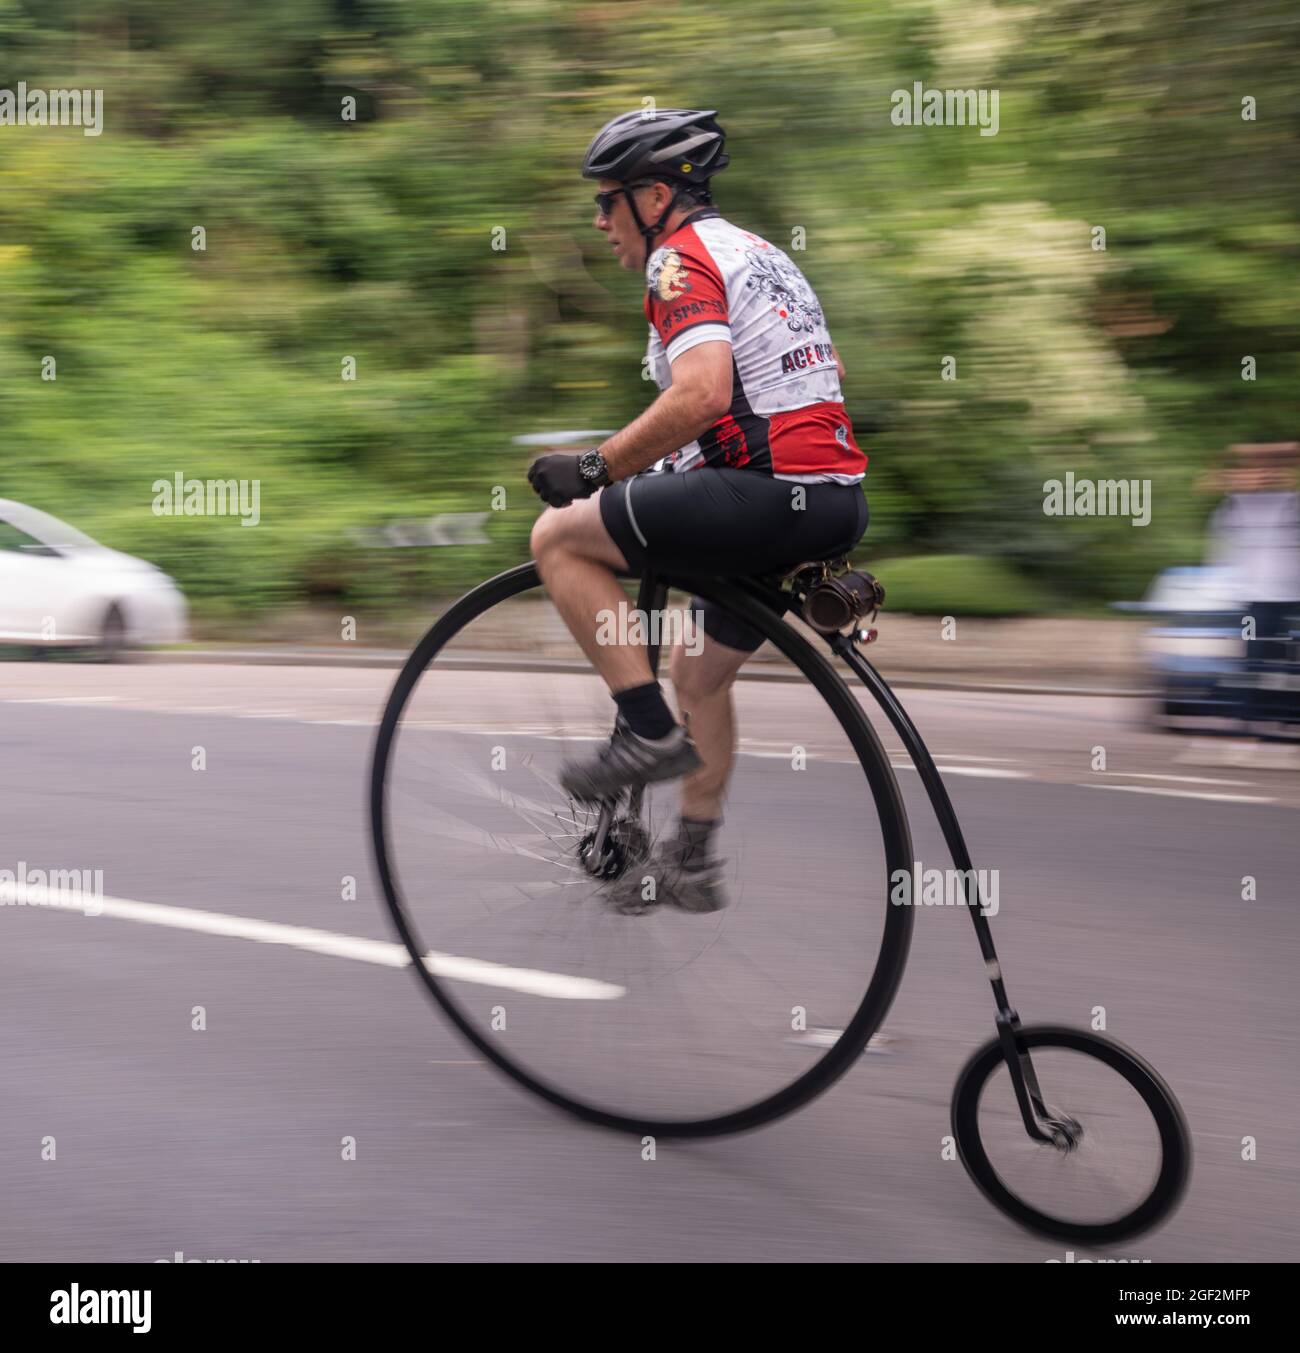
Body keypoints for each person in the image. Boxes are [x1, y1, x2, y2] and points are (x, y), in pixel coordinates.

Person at [526, 108, 869, 910]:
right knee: (699, 671)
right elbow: (823, 366)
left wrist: (593, 467)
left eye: (607, 201)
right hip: (831, 503)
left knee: (560, 540)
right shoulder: (760, 253)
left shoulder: (676, 261)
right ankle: (693, 856)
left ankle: (645, 729)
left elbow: (707, 391)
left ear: (653, 198)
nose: (599, 220)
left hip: (763, 497)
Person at [1202, 442, 1300, 744]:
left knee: (1289, 661)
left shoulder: (1292, 501)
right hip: (1255, 596)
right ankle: (1245, 718)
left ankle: (1287, 718)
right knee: (1252, 659)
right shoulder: (1237, 503)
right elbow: (1219, 470)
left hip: (1291, 594)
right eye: (1258, 469)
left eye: (1270, 469)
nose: (1265, 475)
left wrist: (1279, 453)